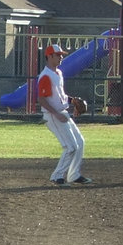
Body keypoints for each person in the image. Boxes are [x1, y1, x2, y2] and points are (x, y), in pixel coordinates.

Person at [37, 42, 92, 186]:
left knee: (80, 142)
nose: (61, 58)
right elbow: (41, 99)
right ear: (49, 56)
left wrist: (72, 100)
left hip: (62, 112)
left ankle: (74, 175)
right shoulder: (45, 76)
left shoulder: (58, 73)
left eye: (61, 55)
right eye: (58, 55)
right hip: (52, 115)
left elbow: (59, 96)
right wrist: (56, 113)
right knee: (70, 146)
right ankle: (57, 176)